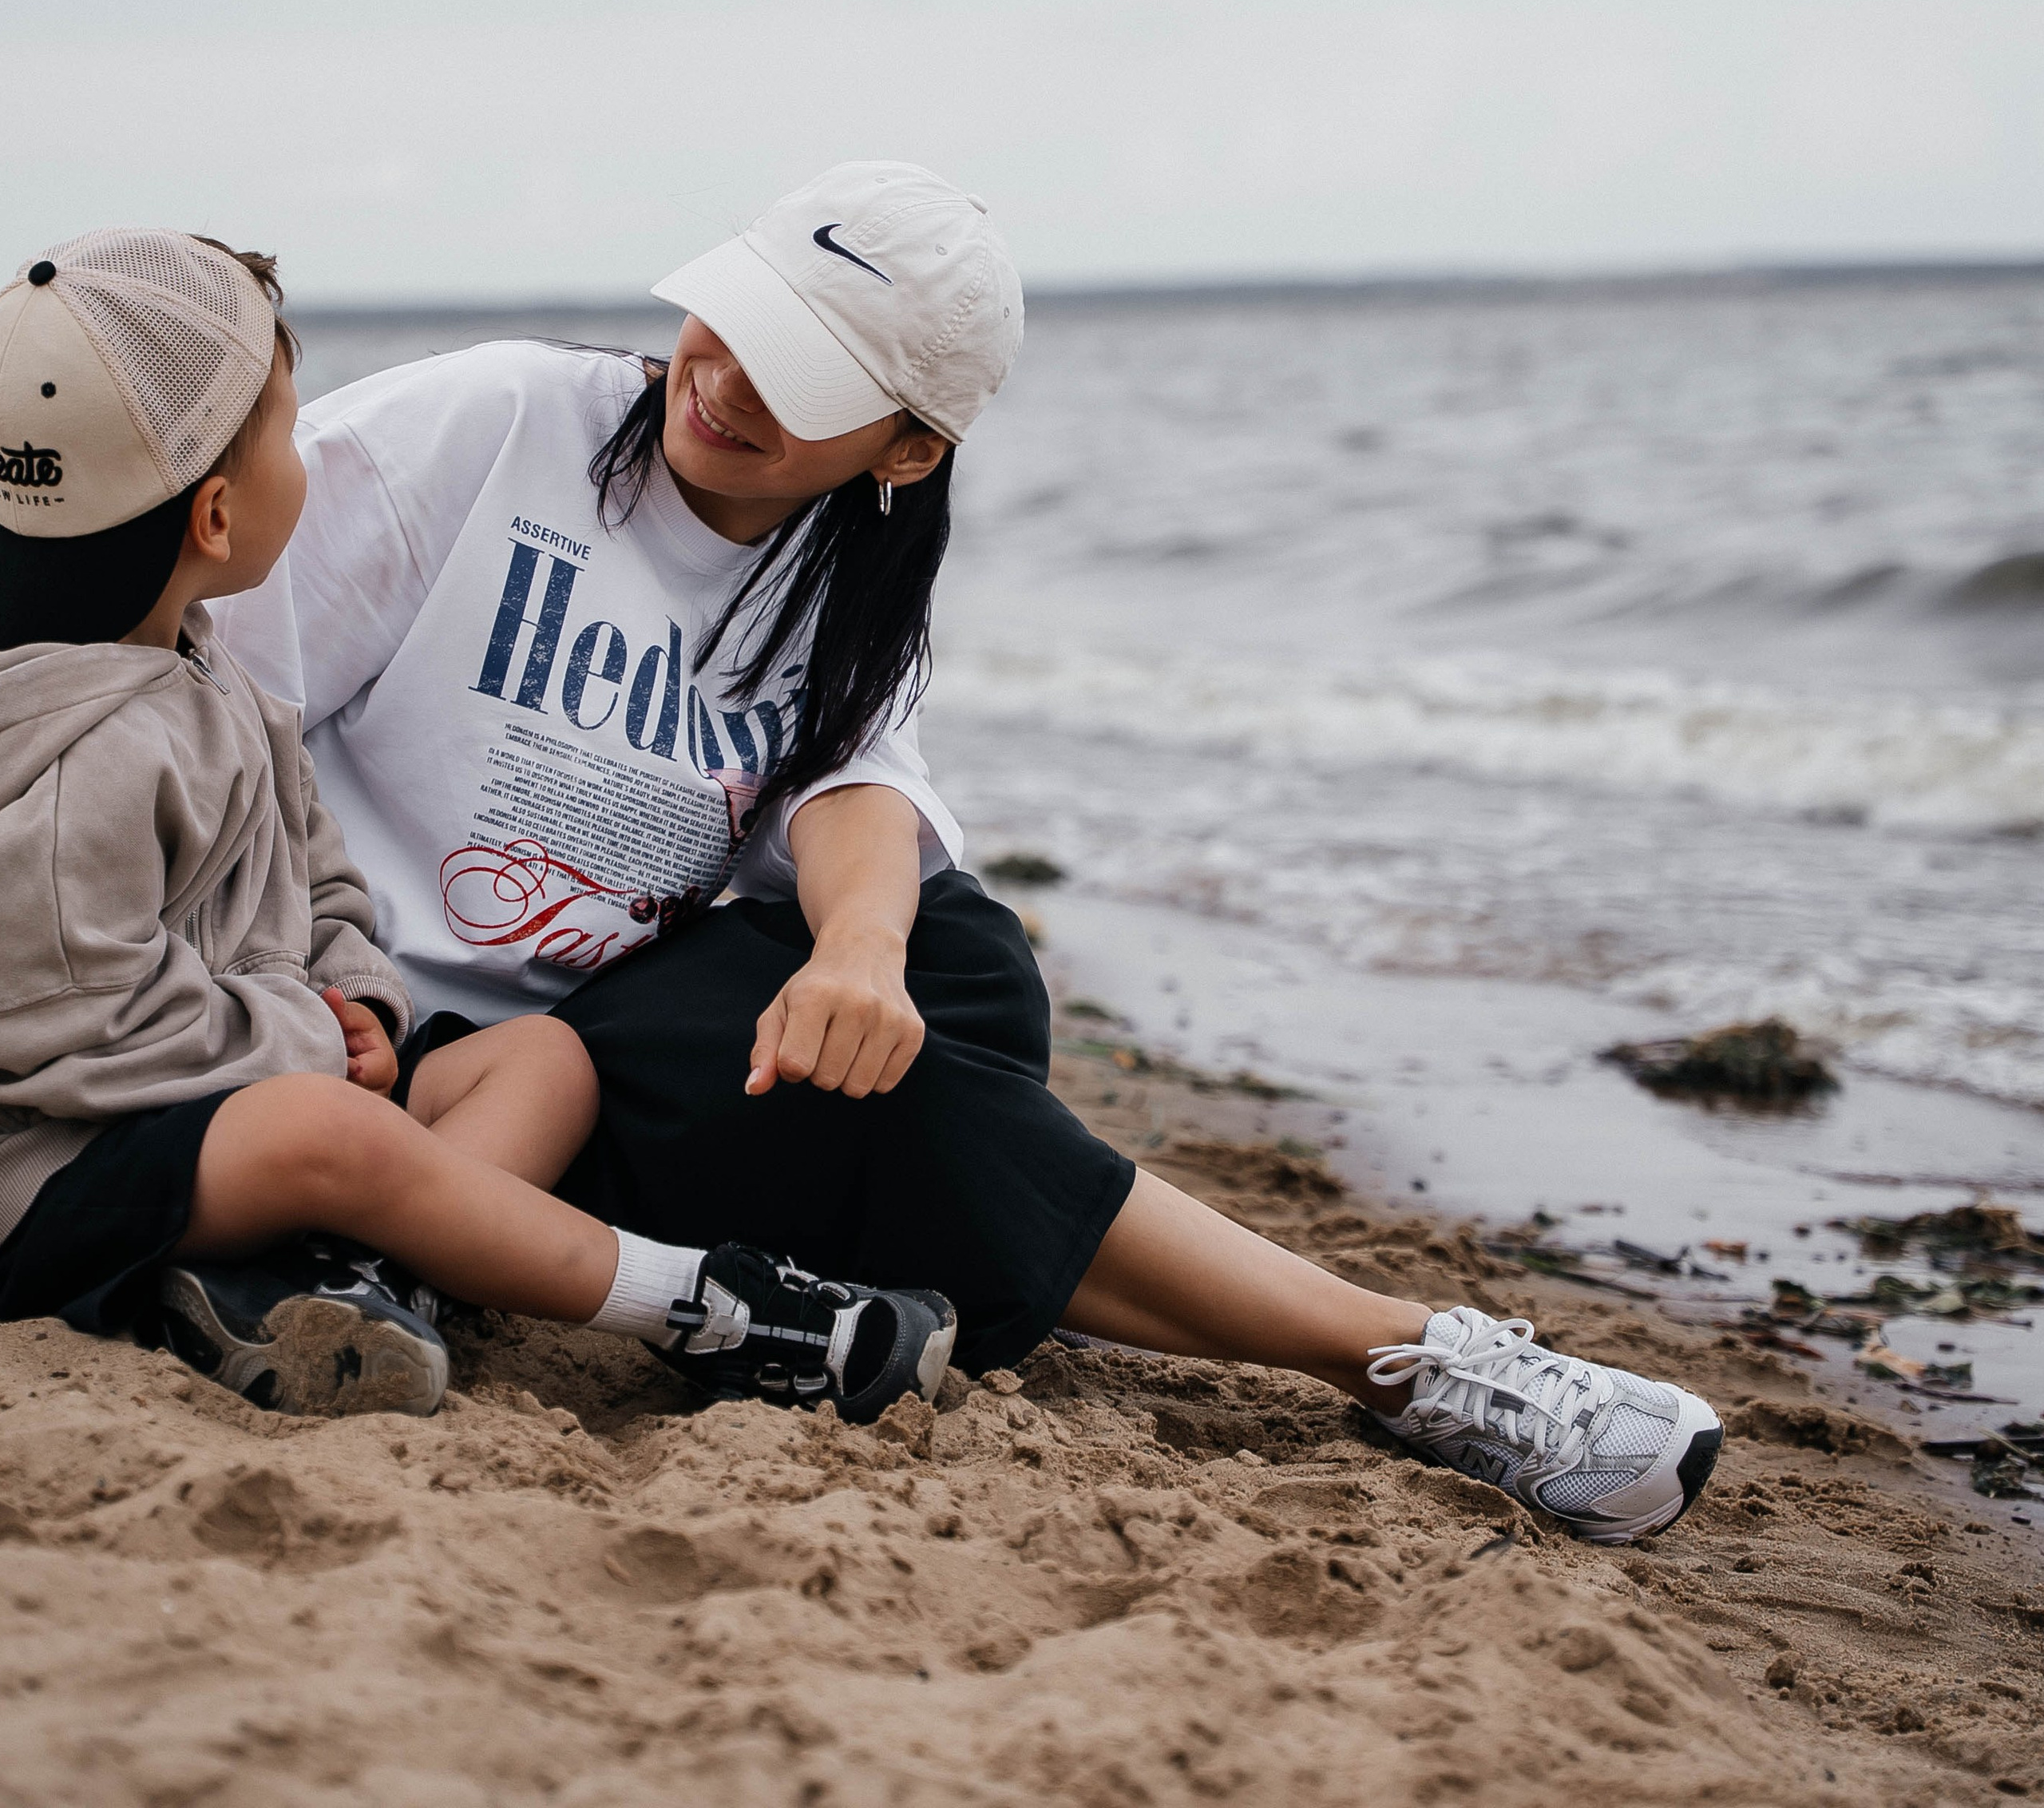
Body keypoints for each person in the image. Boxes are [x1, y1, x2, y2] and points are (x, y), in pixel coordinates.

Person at [214, 166, 1724, 1542]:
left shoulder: (844, 581)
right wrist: (302, 990)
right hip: (428, 1052)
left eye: (800, 380)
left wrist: (860, 951)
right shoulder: (492, 428)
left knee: (957, 966)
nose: (724, 382)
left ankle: (989, 1220)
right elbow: (218, 699)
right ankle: (1398, 1356)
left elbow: (856, 783)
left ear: (908, 449)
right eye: (730, 322)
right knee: (866, 1070)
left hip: (623, 1040)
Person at [0, 231, 958, 1425]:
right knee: (319, 1132)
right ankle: (712, 1308)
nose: (324, 453)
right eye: (291, 438)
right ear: (215, 518)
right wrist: (300, 1039)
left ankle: (348, 1281)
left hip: (228, 1084)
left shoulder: (213, 680)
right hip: (52, 1161)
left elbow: (316, 871)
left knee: (546, 1060)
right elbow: (71, 1023)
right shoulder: (82, 745)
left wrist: (358, 995)